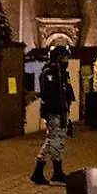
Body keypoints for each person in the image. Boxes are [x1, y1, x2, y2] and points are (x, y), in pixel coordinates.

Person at [31, 45, 75, 185]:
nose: (66, 60)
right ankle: (38, 172)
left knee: (60, 141)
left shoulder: (62, 73)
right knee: (52, 140)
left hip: (62, 111)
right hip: (53, 111)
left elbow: (66, 93)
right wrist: (58, 110)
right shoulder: (49, 72)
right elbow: (50, 94)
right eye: (64, 57)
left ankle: (57, 172)